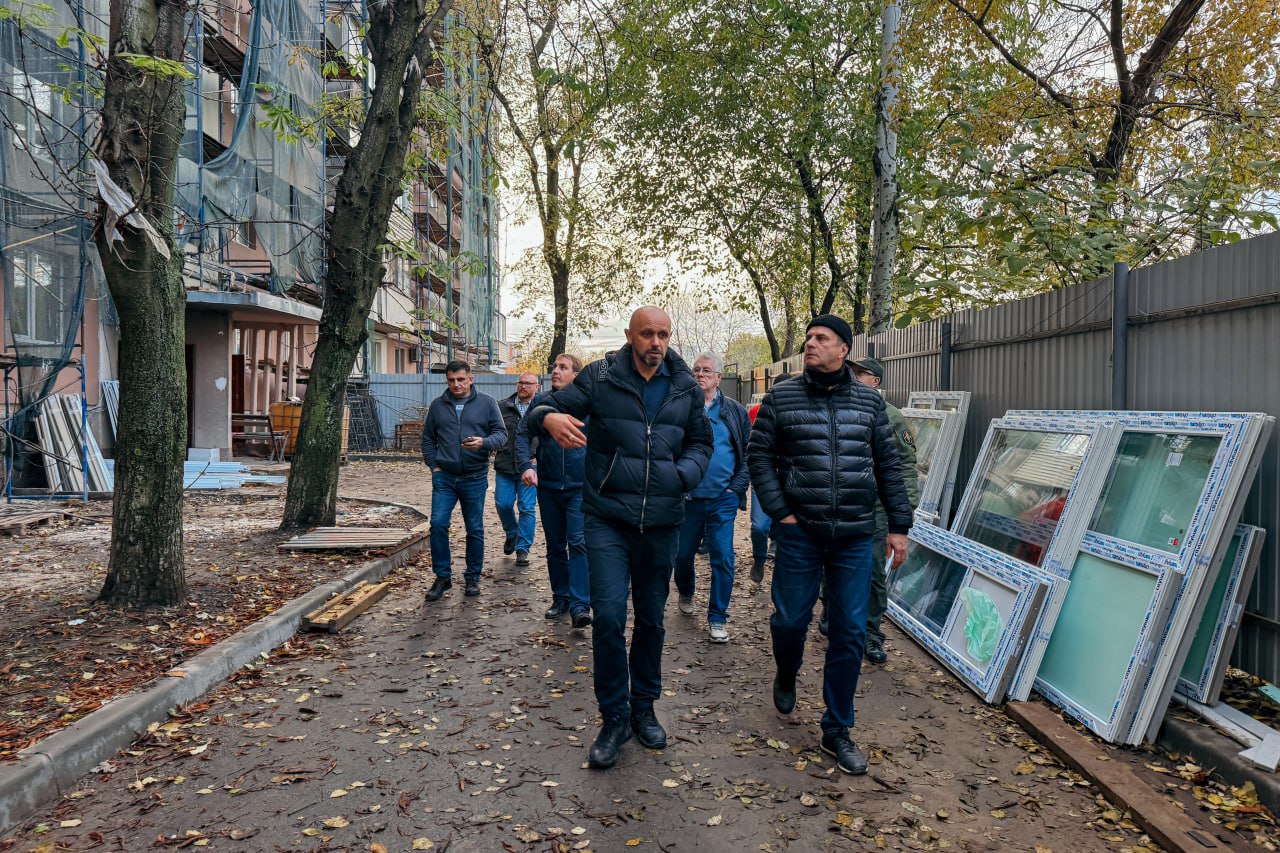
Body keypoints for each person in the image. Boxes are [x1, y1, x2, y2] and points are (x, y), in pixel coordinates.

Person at [525, 307, 712, 770]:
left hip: (663, 519)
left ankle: (644, 708)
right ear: (630, 336)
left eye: (663, 334)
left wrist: (680, 475)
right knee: (608, 618)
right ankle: (614, 718)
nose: (656, 342)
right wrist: (547, 417)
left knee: (651, 618)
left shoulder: (685, 385)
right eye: (647, 333)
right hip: (607, 517)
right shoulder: (601, 377)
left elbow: (702, 443)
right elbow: (541, 409)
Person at [748, 315, 913, 776]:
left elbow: (889, 467)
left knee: (849, 631)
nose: (810, 344)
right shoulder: (782, 397)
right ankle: (786, 671)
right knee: (789, 621)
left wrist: (899, 526)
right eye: (808, 338)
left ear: (844, 349)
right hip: (800, 533)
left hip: (856, 536)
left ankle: (837, 729)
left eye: (821, 339)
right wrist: (781, 512)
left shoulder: (869, 404)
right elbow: (758, 456)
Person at [820, 356, 918, 664]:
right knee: (831, 562)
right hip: (838, 504)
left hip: (874, 508)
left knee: (873, 572)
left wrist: (902, 515)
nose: (852, 376)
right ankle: (831, 610)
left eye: (860, 374)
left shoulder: (892, 417)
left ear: (875, 381)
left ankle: (872, 633)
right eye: (851, 372)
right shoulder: (837, 408)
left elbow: (905, 465)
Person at [674, 352, 751, 643]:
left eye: (707, 371)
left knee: (722, 557)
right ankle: (686, 590)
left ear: (719, 377)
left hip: (723, 499)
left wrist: (736, 488)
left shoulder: (734, 411)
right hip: (688, 499)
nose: (700, 375)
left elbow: (749, 453)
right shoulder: (681, 409)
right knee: (682, 556)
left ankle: (717, 617)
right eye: (696, 370)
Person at [515, 354, 591, 628]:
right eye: (554, 367)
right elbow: (523, 434)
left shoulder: (588, 402)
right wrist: (525, 465)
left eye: (563, 368)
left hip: (580, 487)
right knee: (555, 545)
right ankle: (561, 597)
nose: (556, 371)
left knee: (579, 542)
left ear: (576, 375)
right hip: (548, 485)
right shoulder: (540, 401)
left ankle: (580, 604)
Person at [421, 360, 507, 601]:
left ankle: (472, 577)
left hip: (474, 476)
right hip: (445, 478)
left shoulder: (487, 403)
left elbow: (501, 434)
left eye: (461, 379)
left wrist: (484, 443)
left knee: (475, 529)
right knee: (438, 525)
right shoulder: (438, 406)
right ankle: (442, 577)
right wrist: (434, 466)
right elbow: (428, 439)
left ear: (471, 378)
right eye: (451, 380)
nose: (456, 384)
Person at [746, 372, 792, 583]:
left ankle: (782, 565)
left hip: (790, 480)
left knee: (787, 526)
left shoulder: (799, 412)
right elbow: (751, 445)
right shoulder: (756, 411)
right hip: (764, 479)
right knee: (759, 525)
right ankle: (759, 558)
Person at [495, 372, 540, 568]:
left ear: (537, 387)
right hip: (505, 464)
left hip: (531, 466)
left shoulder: (543, 407)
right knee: (503, 503)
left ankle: (523, 549)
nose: (523, 386)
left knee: (527, 507)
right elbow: (493, 430)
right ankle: (512, 532)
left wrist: (541, 455)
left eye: (528, 383)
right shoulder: (501, 407)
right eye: (521, 382)